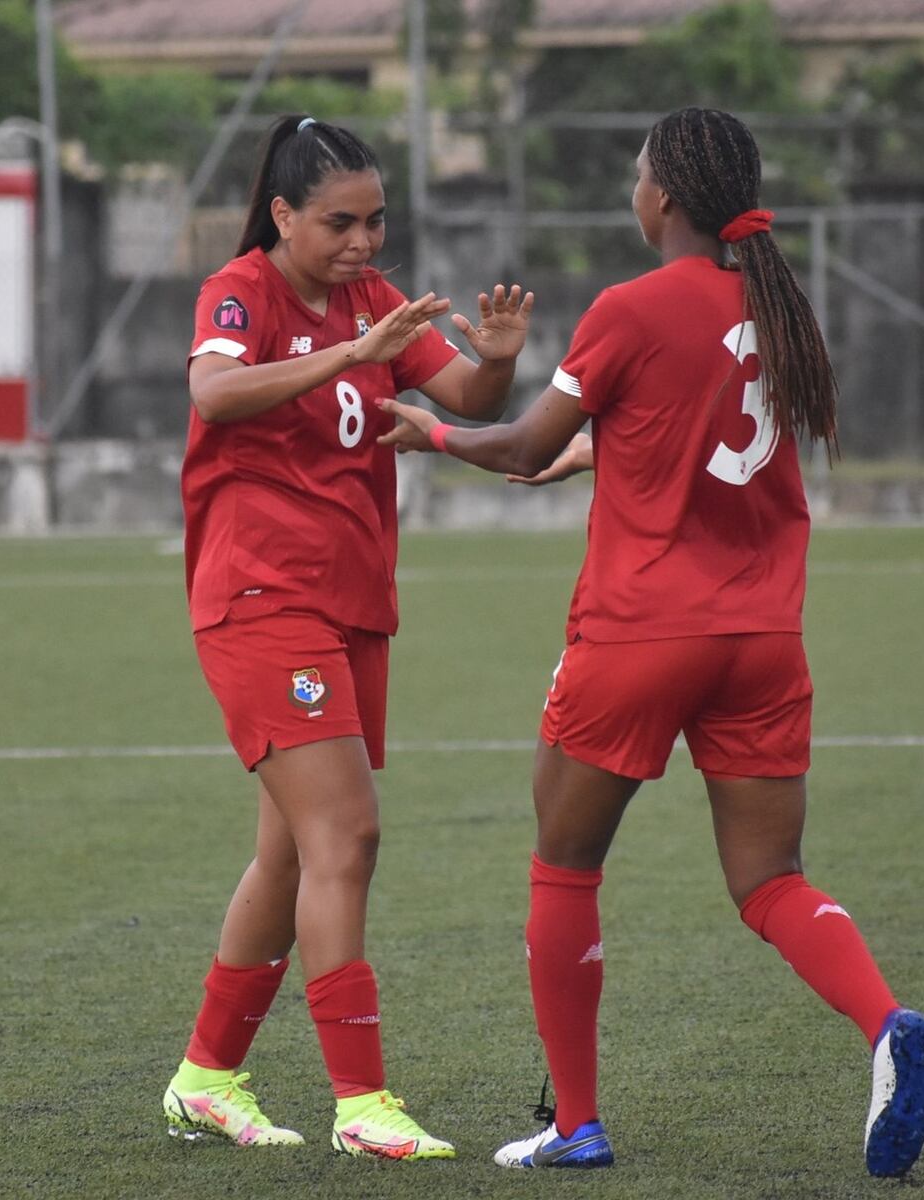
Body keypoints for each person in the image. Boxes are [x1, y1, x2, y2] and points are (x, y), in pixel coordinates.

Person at [379, 106, 924, 1178]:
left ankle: (576, 1124)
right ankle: (884, 1022)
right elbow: (714, 441)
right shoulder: (785, 307)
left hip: (640, 633)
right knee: (771, 879)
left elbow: (524, 442)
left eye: (639, 177)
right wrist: (611, 457)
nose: (633, 193)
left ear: (665, 195)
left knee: (564, 862)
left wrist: (434, 432)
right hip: (764, 635)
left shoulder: (630, 309)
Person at [164, 113, 533, 1161]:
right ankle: (362, 1103)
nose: (365, 243)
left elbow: (463, 398)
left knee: (290, 852)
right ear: (283, 214)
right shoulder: (241, 290)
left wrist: (498, 361)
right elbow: (212, 392)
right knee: (349, 836)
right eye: (340, 222)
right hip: (261, 597)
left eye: (376, 220)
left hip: (352, 602)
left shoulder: (375, 304)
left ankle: (204, 1079)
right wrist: (345, 353)